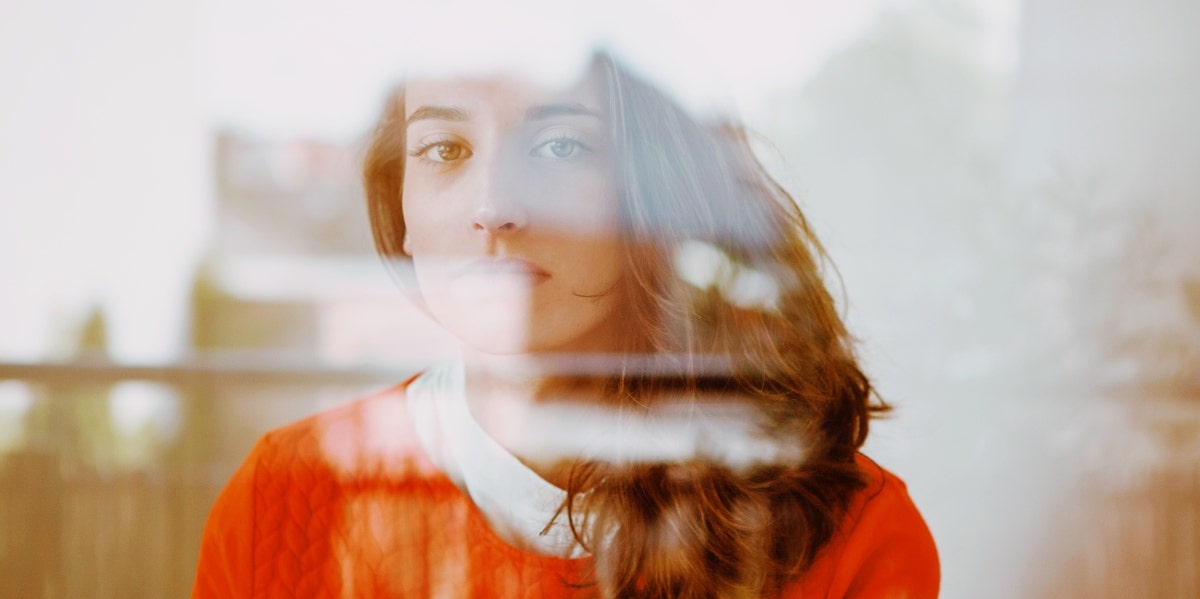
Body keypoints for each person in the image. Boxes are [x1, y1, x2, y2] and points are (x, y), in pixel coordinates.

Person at [192, 52, 939, 598]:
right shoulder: (280, 503)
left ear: (646, 198)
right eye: (444, 151)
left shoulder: (851, 535)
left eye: (559, 147)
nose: (494, 203)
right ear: (404, 213)